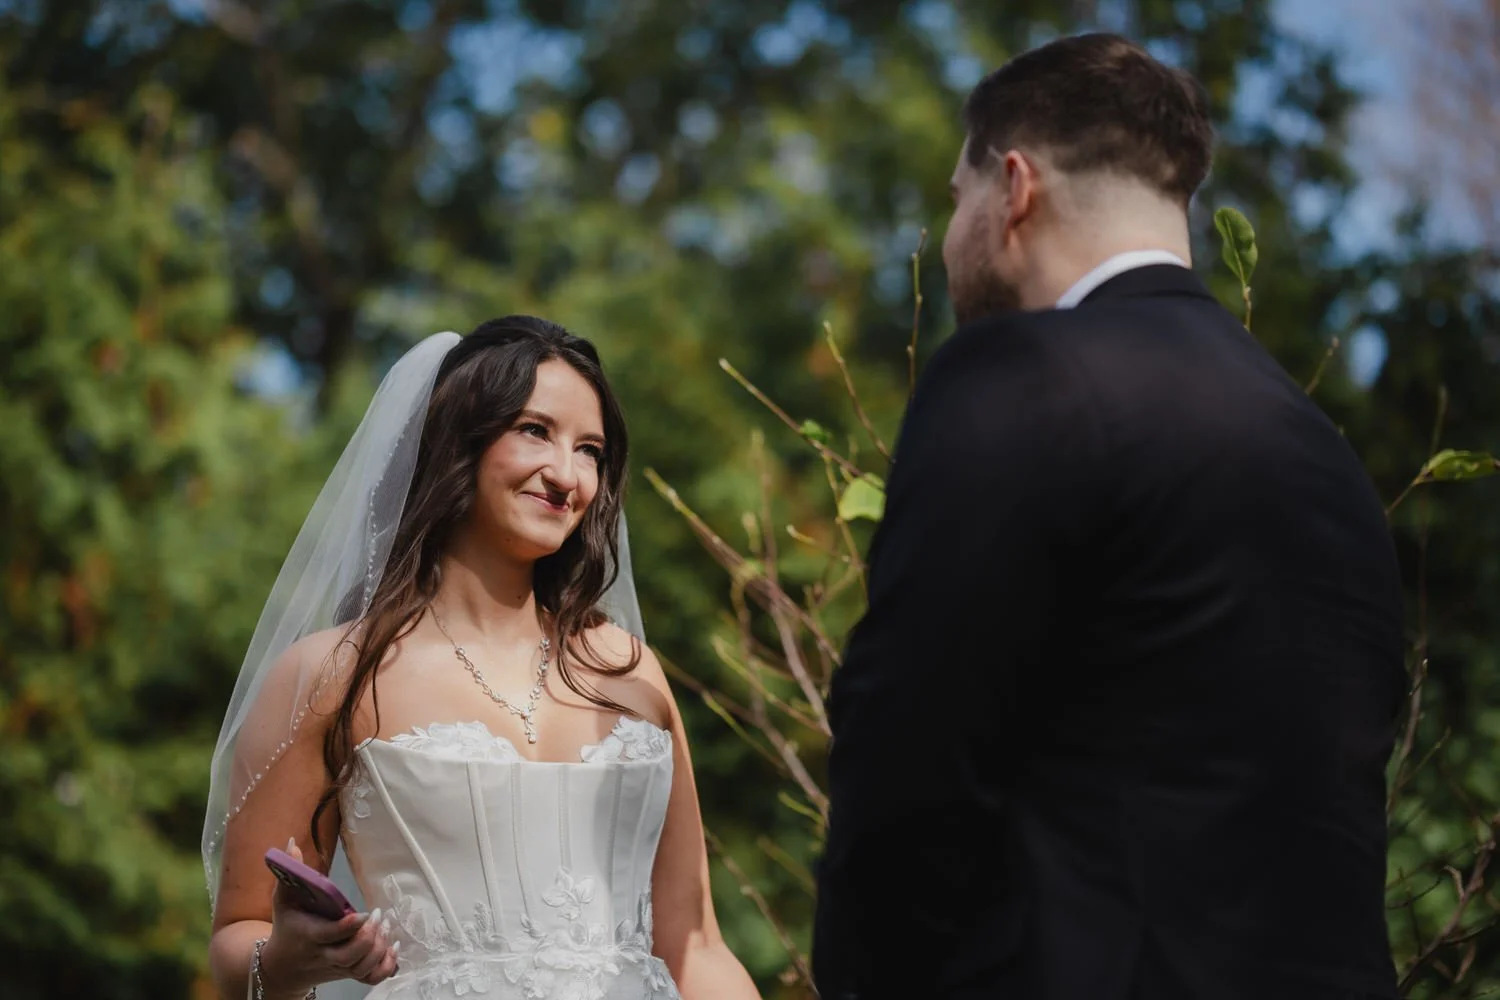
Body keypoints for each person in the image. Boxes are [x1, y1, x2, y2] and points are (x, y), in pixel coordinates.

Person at [812, 32, 1405, 1000]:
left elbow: (912, 769)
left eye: (955, 197)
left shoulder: (1021, 374)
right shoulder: (1323, 454)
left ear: (1014, 187)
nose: (956, 224)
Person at [204, 317, 760, 1000]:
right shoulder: (330, 675)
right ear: (455, 441)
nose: (566, 474)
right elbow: (237, 935)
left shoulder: (630, 671)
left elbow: (696, 946)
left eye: (590, 450)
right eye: (535, 431)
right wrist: (287, 960)